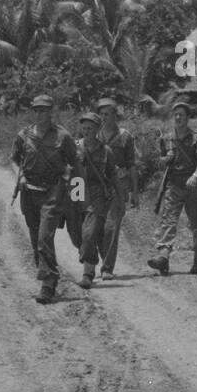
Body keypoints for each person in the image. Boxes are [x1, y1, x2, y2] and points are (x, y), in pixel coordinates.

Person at [11, 94, 82, 304]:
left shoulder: (63, 136)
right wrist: (20, 176)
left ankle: (49, 282)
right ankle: (45, 273)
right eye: (36, 110)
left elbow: (76, 162)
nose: (40, 113)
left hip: (53, 192)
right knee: (35, 238)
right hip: (29, 193)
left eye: (44, 110)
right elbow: (14, 160)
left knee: (44, 237)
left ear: (51, 112)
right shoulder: (23, 136)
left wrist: (77, 193)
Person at [147, 99, 197, 276]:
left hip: (191, 185)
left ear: (188, 117)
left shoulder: (196, 138)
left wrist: (196, 175)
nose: (179, 118)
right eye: (176, 115)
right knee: (168, 220)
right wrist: (167, 158)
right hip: (173, 185)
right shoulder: (166, 138)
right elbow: (161, 160)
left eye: (182, 115)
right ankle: (163, 258)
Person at [73, 112, 119, 289]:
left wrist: (121, 197)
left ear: (97, 129)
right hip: (77, 191)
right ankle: (88, 252)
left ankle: (88, 273)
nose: (86, 131)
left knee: (88, 233)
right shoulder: (75, 147)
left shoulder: (106, 151)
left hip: (98, 195)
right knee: (77, 233)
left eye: (90, 128)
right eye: (84, 128)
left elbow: (113, 175)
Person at [96, 97, 138, 278]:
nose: (104, 118)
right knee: (96, 228)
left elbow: (132, 165)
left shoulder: (125, 136)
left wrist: (135, 192)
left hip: (119, 186)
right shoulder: (93, 135)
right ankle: (104, 258)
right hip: (97, 187)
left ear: (115, 115)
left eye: (107, 114)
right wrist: (77, 194)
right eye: (101, 114)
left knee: (112, 227)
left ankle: (107, 268)